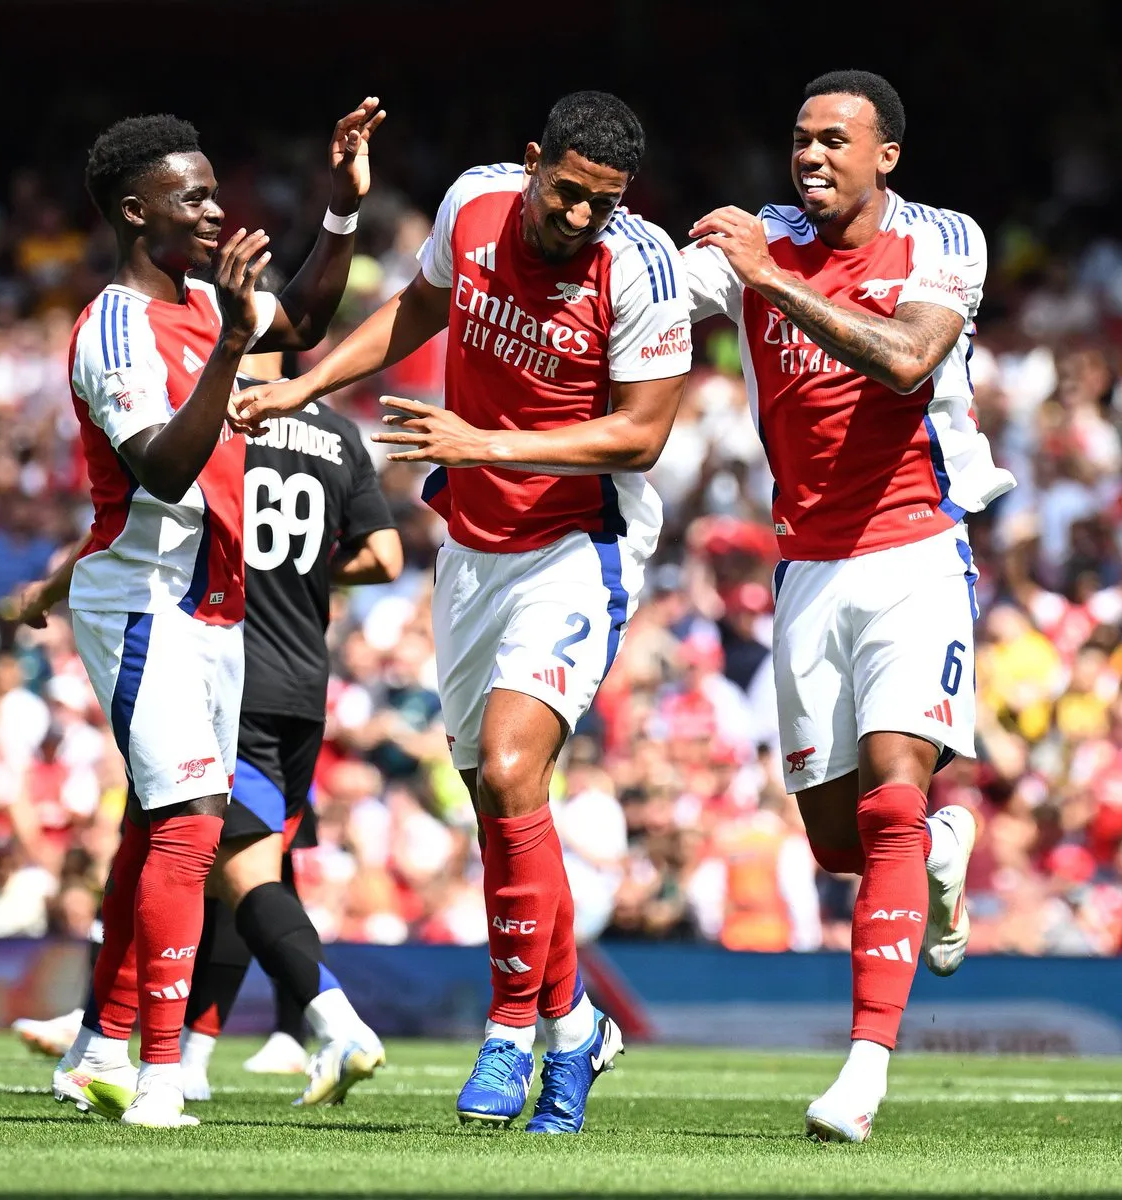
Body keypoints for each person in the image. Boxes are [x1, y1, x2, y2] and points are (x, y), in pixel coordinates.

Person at [231, 90, 692, 1133]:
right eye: (568, 194)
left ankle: (509, 1034)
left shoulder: (642, 271)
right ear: (533, 161)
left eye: (602, 205)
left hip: (584, 541)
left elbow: (640, 436)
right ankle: (576, 1027)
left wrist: (485, 443)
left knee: (519, 767)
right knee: (495, 799)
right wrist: (306, 385)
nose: (581, 219)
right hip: (474, 544)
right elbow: (416, 310)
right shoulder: (475, 204)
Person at [679, 69, 1016, 1141]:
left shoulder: (940, 239)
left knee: (888, 802)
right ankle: (940, 847)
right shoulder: (764, 232)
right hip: (806, 568)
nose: (812, 157)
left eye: (835, 140)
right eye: (799, 140)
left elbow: (912, 361)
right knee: (840, 845)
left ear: (888, 157)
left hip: (915, 546)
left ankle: (863, 1073)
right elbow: (647, 290)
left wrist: (767, 285)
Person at [35, 97, 384, 1128]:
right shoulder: (116, 324)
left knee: (160, 822)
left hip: (216, 603)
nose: (214, 209)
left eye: (213, 190)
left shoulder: (200, 299)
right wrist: (234, 346)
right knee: (191, 823)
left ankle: (99, 1049)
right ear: (135, 211)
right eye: (191, 197)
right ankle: (158, 1077)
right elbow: (166, 467)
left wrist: (342, 211)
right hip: (142, 599)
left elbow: (309, 322)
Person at [179, 307, 403, 1107]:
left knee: (230, 869)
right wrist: (312, 579)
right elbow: (387, 555)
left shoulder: (221, 416)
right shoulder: (341, 435)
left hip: (226, 676)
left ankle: (336, 1023)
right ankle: (190, 1060)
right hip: (305, 688)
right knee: (232, 871)